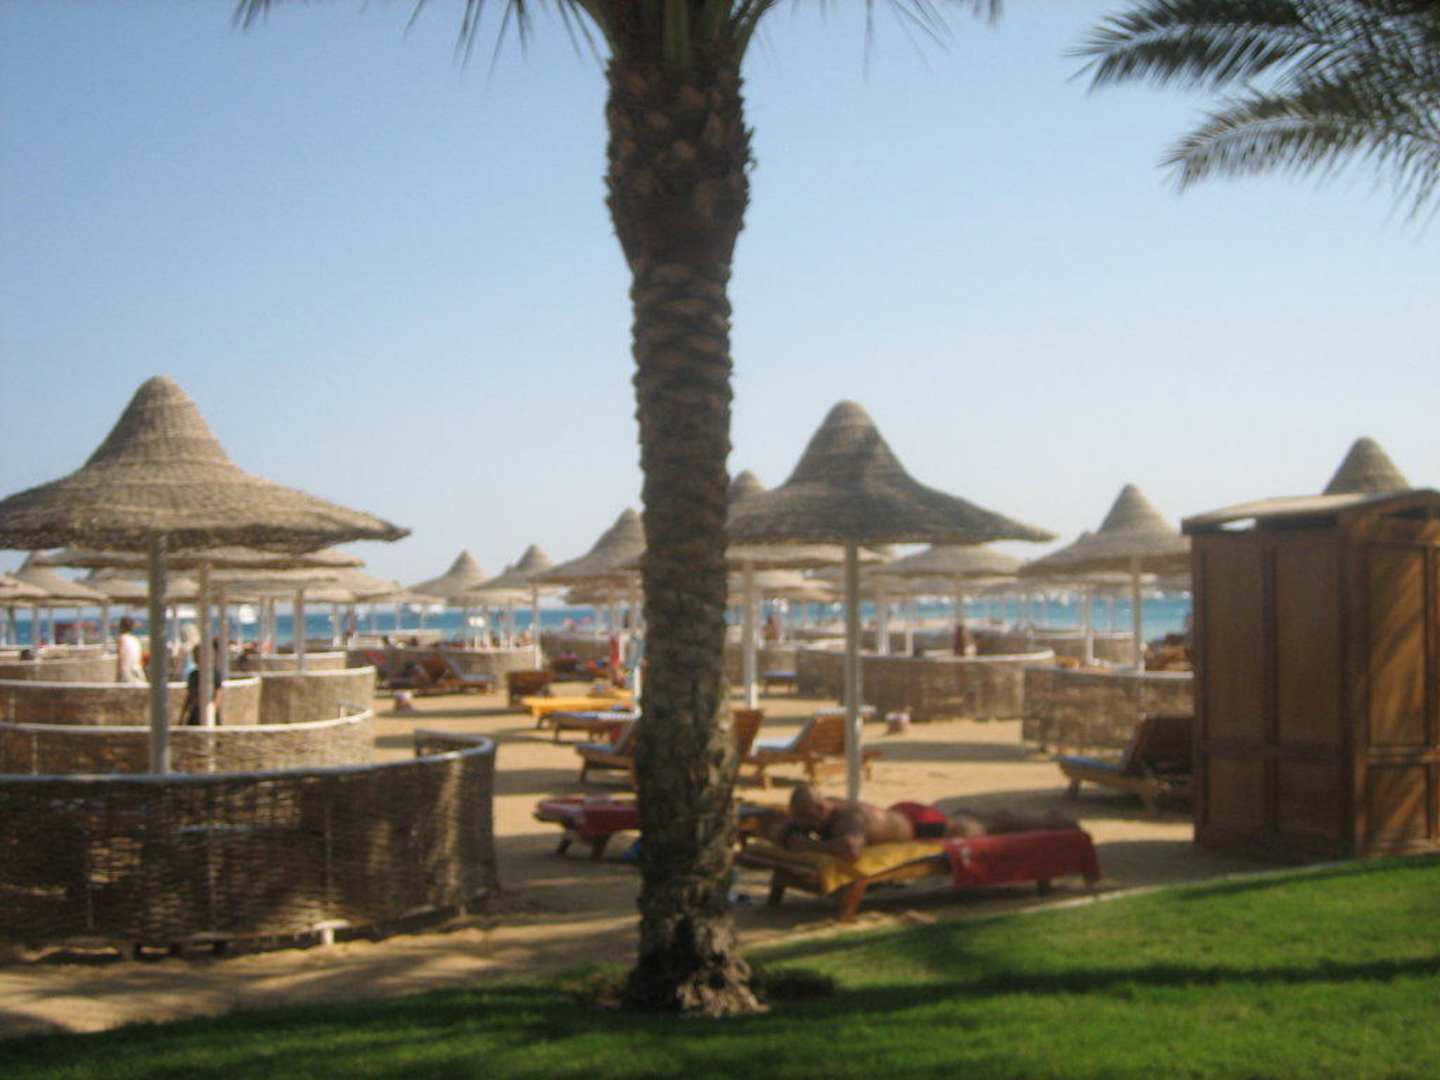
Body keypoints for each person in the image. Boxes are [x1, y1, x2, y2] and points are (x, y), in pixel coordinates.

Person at [772, 783, 1078, 861]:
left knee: (986, 825)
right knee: (973, 815)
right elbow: (785, 826)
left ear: (820, 808)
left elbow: (852, 849)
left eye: (807, 818)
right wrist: (791, 831)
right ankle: (1045, 819)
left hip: (917, 826)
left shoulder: (847, 819)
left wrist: (809, 846)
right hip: (899, 816)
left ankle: (1050, 822)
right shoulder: (825, 807)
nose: (806, 824)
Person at [181, 640, 224, 727]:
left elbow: (218, 694)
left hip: (209, 712)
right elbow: (189, 696)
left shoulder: (214, 674)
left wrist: (212, 711)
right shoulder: (193, 675)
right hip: (195, 713)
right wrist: (182, 716)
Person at [115, 616, 146, 684]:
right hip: (138, 671)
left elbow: (121, 658)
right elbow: (140, 660)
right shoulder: (135, 640)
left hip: (127, 673)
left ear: (121, 626)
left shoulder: (122, 639)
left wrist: (118, 676)